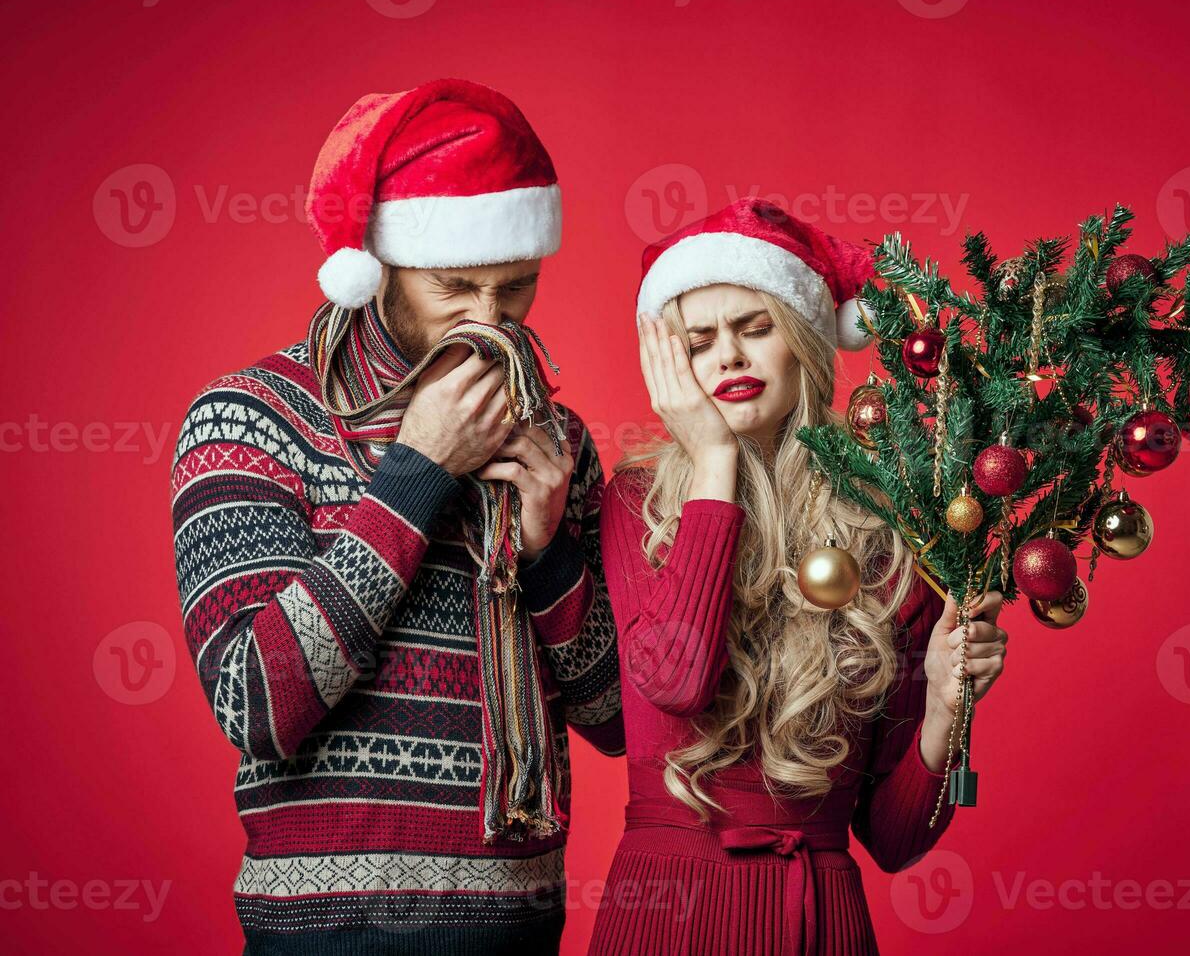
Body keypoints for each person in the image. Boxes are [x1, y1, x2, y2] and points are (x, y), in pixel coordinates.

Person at [169, 79, 622, 955]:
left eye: (516, 286)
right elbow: (256, 703)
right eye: (455, 287)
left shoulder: (555, 438)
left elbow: (614, 724)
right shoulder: (250, 417)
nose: (490, 321)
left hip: (518, 921)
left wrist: (548, 554)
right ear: (380, 269)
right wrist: (417, 476)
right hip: (326, 929)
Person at [588, 198, 1007, 955]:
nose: (729, 359)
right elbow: (676, 680)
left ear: (807, 343)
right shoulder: (634, 502)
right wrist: (715, 463)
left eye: (756, 328)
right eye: (701, 340)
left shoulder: (887, 536)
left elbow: (894, 840)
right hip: (662, 917)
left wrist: (946, 707)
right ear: (670, 363)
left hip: (816, 916)